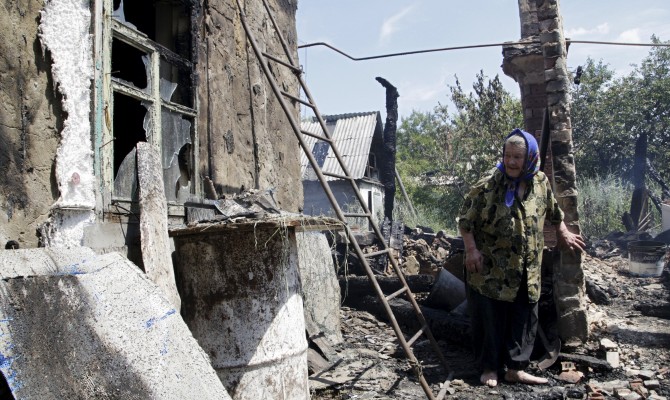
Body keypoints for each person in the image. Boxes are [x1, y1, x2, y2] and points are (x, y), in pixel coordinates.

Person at [457, 128, 585, 387]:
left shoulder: (539, 181)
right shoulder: (489, 183)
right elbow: (465, 220)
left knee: (524, 319)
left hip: (527, 269)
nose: (512, 162)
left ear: (530, 157)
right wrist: (471, 250)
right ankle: (489, 369)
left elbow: (553, 210)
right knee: (490, 320)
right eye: (508, 156)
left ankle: (516, 368)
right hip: (491, 270)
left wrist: (563, 232)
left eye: (518, 156)